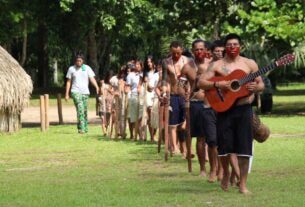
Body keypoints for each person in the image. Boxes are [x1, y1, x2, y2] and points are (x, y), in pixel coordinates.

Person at [198, 33, 265, 194]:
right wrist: (220, 84)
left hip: (244, 109)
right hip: (224, 109)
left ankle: (242, 184)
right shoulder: (217, 65)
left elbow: (261, 84)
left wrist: (256, 88)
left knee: (244, 148)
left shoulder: (249, 64)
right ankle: (226, 173)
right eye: (229, 45)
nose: (232, 48)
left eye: (235, 45)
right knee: (225, 147)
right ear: (225, 47)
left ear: (240, 46)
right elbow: (201, 82)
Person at [162, 41, 196, 157]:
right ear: (170, 51)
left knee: (186, 124)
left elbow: (192, 78)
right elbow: (164, 79)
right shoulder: (166, 62)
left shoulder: (188, 61)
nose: (176, 55)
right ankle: (174, 148)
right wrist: (164, 92)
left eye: (178, 53)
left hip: (186, 95)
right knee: (173, 124)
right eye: (173, 53)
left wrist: (190, 92)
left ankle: (188, 149)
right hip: (173, 94)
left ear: (182, 50)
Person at [190, 39, 218, 181]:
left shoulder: (215, 65)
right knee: (201, 138)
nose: (199, 52)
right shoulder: (188, 67)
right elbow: (189, 88)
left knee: (215, 139)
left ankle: (217, 169)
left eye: (202, 49)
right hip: (198, 105)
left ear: (207, 50)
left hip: (216, 105)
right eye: (197, 49)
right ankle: (202, 169)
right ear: (193, 50)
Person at [65, 53, 99, 134]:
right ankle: (82, 129)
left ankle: (83, 127)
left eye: (80, 61)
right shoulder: (71, 69)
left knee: (84, 110)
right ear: (75, 61)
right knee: (80, 108)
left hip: (85, 92)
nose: (78, 62)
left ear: (83, 61)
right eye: (77, 61)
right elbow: (68, 82)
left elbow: (91, 78)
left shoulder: (87, 68)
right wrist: (67, 94)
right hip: (75, 91)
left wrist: (97, 87)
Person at [125, 60, 143, 140]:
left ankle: (141, 134)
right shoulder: (130, 75)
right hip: (134, 96)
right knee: (133, 116)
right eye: (136, 64)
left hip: (143, 96)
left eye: (139, 64)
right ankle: (134, 135)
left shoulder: (143, 74)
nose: (137, 66)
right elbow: (128, 87)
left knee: (141, 117)